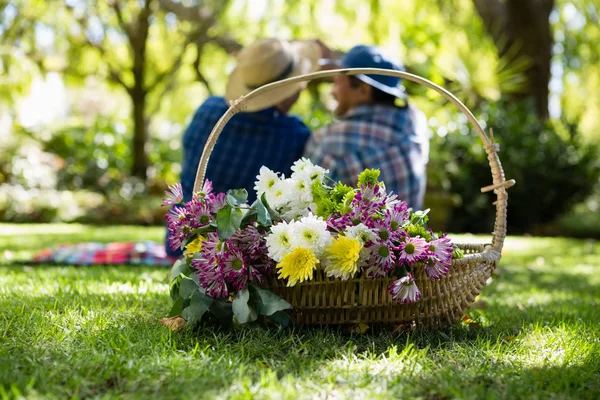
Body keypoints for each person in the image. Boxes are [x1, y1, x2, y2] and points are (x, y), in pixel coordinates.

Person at [167, 38, 324, 256]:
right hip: (240, 255)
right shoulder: (293, 135)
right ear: (287, 90)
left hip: (182, 244)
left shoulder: (208, 111)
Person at [303, 45, 430, 210]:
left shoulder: (328, 142)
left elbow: (305, 210)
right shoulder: (415, 122)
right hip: (412, 235)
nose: (333, 90)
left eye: (337, 81)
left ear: (362, 89)